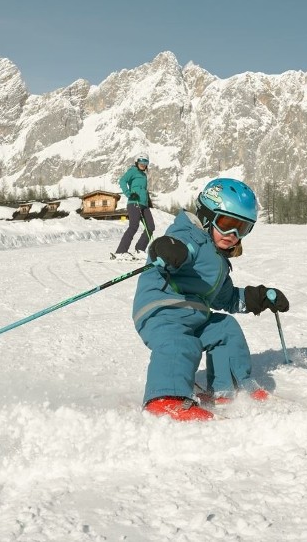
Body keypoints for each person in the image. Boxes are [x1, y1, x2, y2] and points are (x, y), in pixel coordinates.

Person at [132, 178, 290, 421]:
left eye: (242, 228)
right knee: (181, 344)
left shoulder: (217, 260)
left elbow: (226, 298)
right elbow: (174, 244)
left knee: (226, 329)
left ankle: (226, 390)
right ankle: (165, 399)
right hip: (162, 311)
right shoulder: (189, 237)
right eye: (227, 224)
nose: (233, 235)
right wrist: (168, 249)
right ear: (206, 216)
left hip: (194, 315)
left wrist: (258, 297)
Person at [112, 155, 156, 260]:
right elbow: (122, 181)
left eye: (146, 162)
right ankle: (120, 252)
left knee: (150, 227)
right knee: (133, 226)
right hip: (134, 202)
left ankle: (139, 250)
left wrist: (148, 201)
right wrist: (129, 194)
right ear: (136, 162)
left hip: (144, 205)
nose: (143, 164)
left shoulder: (144, 175)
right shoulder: (132, 171)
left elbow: (143, 190)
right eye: (141, 162)